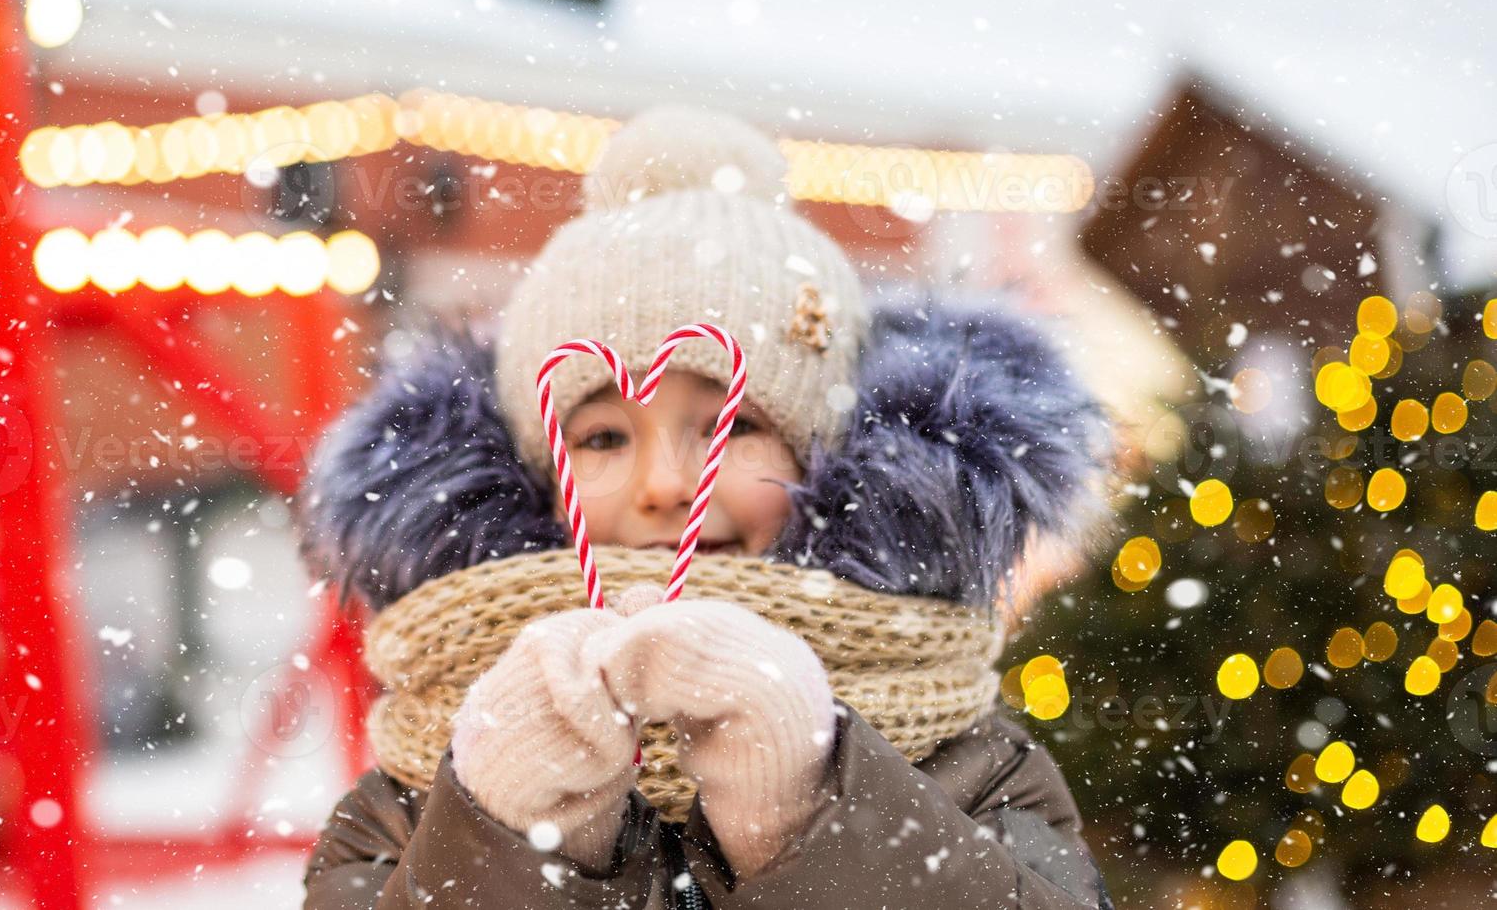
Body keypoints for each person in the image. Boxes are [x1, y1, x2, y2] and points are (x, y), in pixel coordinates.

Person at [296, 105, 1118, 908]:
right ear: (536, 472)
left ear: (829, 460)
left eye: (733, 426)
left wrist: (805, 811)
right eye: (604, 438)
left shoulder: (965, 764)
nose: (666, 484)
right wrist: (511, 835)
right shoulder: (412, 790)